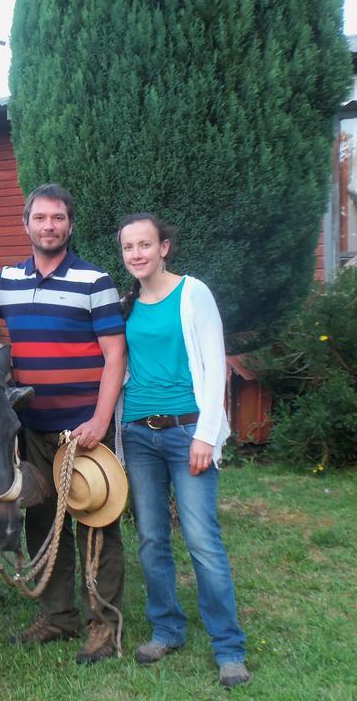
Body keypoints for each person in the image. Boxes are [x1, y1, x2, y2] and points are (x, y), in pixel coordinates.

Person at [0, 183, 127, 665]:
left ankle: (103, 624)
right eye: (40, 218)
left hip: (83, 430)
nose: (49, 226)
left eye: (57, 218)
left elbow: (115, 355)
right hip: (30, 429)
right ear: (26, 225)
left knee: (96, 525)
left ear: (70, 225)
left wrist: (101, 420)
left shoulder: (94, 280)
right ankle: (58, 617)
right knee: (43, 523)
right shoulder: (5, 281)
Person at [116, 213, 250, 688]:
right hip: (138, 434)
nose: (137, 254)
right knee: (152, 539)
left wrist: (206, 435)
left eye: (145, 244)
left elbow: (216, 368)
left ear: (164, 247)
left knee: (201, 540)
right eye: (129, 246)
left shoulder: (193, 294)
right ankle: (167, 629)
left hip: (186, 432)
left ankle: (228, 647)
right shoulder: (127, 305)